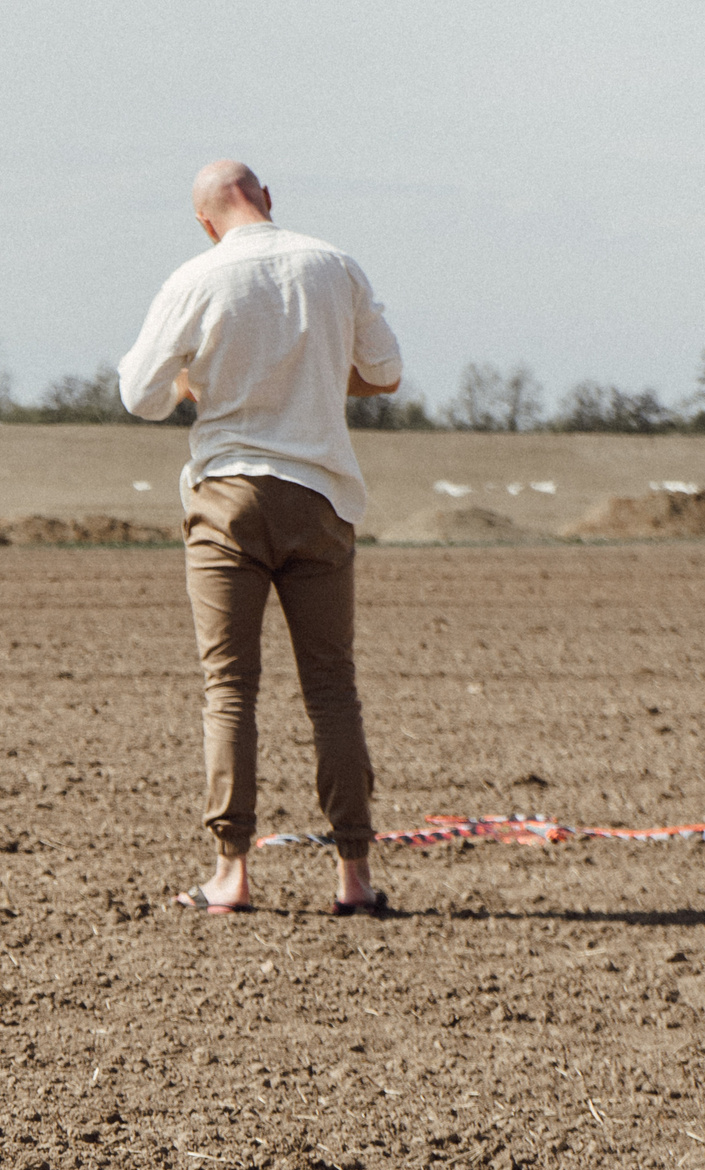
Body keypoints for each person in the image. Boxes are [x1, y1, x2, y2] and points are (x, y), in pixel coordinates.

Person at [117, 159, 404, 917]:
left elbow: (140, 394)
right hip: (320, 497)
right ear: (268, 200)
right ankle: (353, 876)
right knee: (333, 689)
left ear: (205, 221)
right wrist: (310, 372)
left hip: (227, 501)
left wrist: (199, 381)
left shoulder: (195, 278)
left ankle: (232, 872)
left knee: (230, 690)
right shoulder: (335, 265)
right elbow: (386, 371)